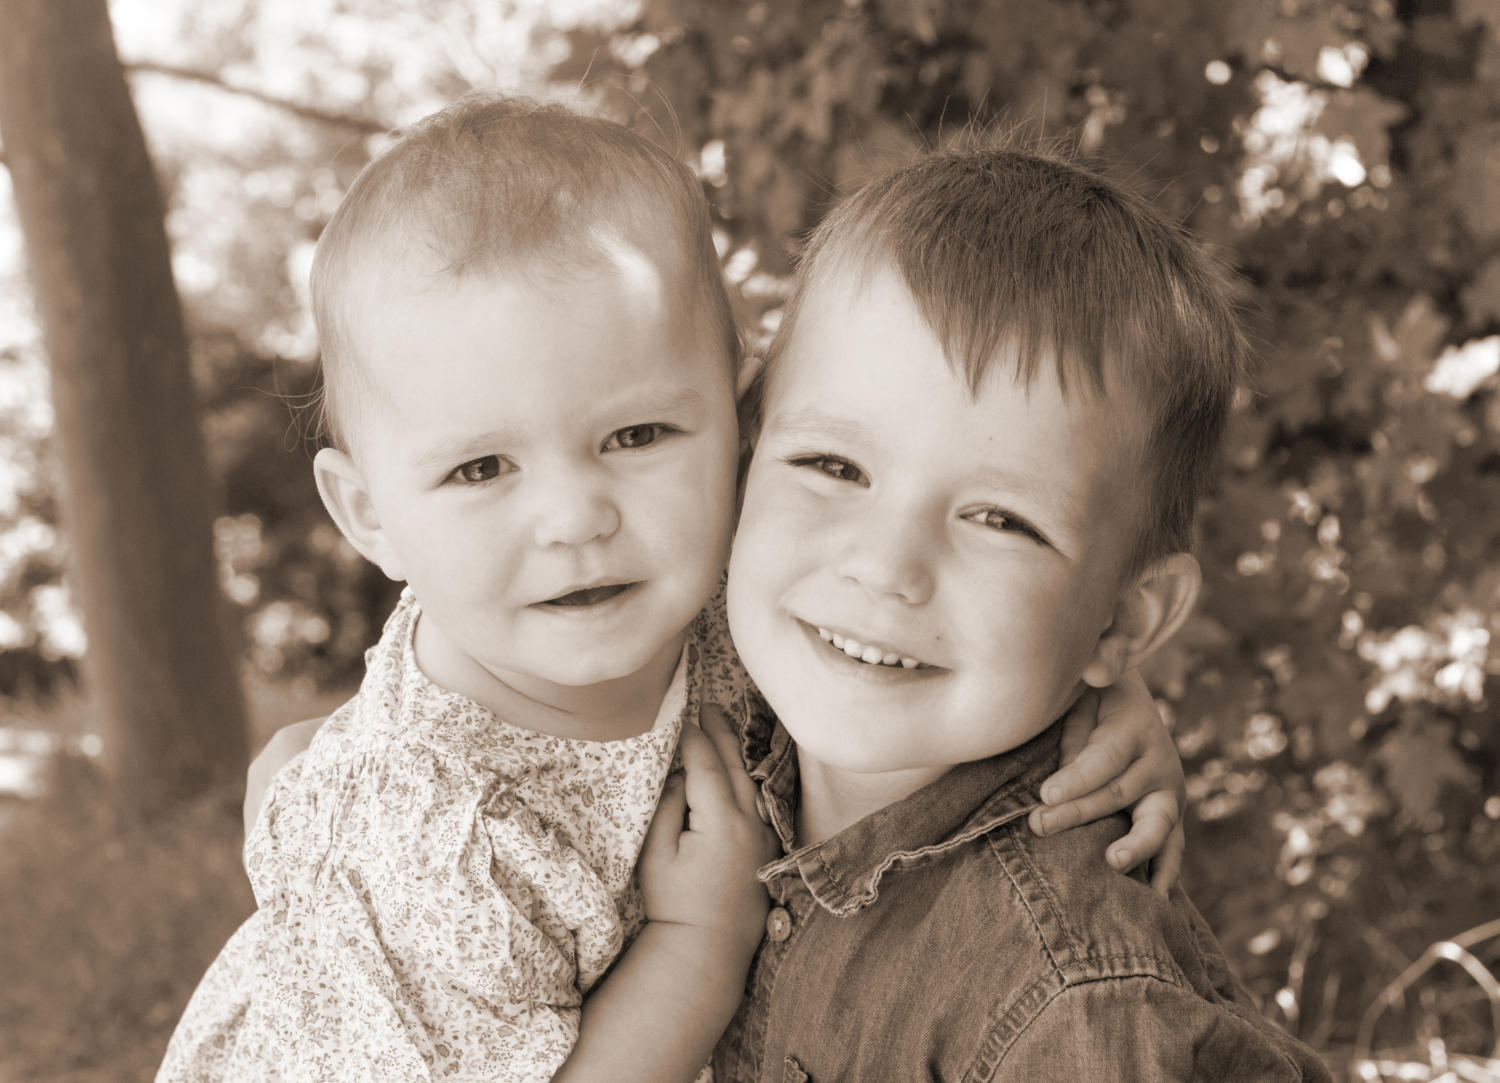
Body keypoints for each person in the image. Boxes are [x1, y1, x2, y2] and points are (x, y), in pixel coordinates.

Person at [188, 93, 1188, 1083]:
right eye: (481, 469)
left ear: (740, 423)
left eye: (638, 436)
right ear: (369, 514)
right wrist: (697, 945)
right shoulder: (422, 852)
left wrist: (1099, 689)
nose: (576, 518)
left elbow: (956, 620)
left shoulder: (721, 589)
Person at [710, 145, 1333, 1079]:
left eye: (1000, 520)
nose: (885, 567)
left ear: (1124, 621)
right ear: (743, 449)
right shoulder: (691, 679)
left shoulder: (1072, 1011)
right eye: (833, 466)